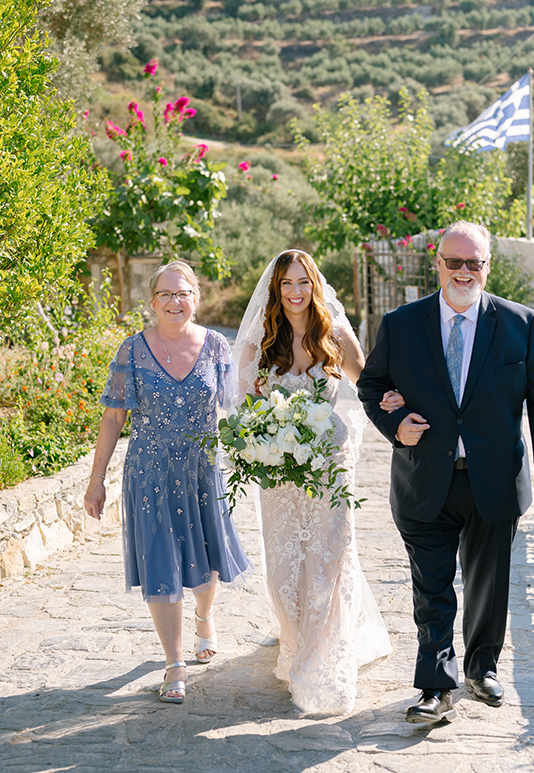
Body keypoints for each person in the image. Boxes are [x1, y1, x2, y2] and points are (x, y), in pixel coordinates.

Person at [357, 221, 534, 724]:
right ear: (438, 264)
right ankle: (435, 685)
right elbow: (371, 385)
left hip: (494, 480)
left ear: (487, 266)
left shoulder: (520, 323)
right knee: (431, 588)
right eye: (454, 261)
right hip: (423, 478)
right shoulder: (402, 323)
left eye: (474, 262)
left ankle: (481, 668)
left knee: (487, 584)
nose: (464, 271)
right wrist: (394, 423)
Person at [234, 249, 396, 715]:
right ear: (275, 289)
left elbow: (368, 386)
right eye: (287, 283)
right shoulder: (259, 341)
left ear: (315, 285)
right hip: (279, 471)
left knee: (327, 560)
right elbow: (245, 411)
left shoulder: (335, 334)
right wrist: (267, 437)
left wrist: (399, 408)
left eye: (303, 282)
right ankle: (296, 638)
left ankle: (320, 658)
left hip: (328, 465)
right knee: (286, 567)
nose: (295, 291)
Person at [84, 260, 253, 704]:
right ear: (153, 301)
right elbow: (113, 417)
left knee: (206, 561)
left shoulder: (217, 346)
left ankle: (205, 616)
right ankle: (174, 662)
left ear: (196, 298)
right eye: (166, 294)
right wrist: (96, 480)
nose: (175, 302)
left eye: (183, 294)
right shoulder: (131, 351)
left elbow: (237, 408)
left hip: (203, 469)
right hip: (150, 472)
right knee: (162, 562)